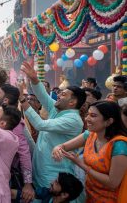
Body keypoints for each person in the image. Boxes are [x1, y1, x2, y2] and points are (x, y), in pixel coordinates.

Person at [19, 62, 86, 193]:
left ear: (72, 102)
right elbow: (43, 95)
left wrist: (22, 99)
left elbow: (40, 125)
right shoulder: (58, 109)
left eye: (63, 94)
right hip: (41, 171)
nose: (59, 95)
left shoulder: (73, 119)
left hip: (53, 176)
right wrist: (34, 79)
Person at [52, 101, 127, 202]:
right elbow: (63, 146)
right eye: (87, 114)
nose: (87, 119)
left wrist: (81, 164)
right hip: (89, 193)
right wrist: (57, 149)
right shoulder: (90, 135)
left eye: (93, 115)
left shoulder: (119, 145)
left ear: (109, 121)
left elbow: (113, 183)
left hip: (110, 198)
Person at [11, 172, 83, 203]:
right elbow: (19, 194)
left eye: (56, 182)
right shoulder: (46, 192)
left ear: (64, 194)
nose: (52, 182)